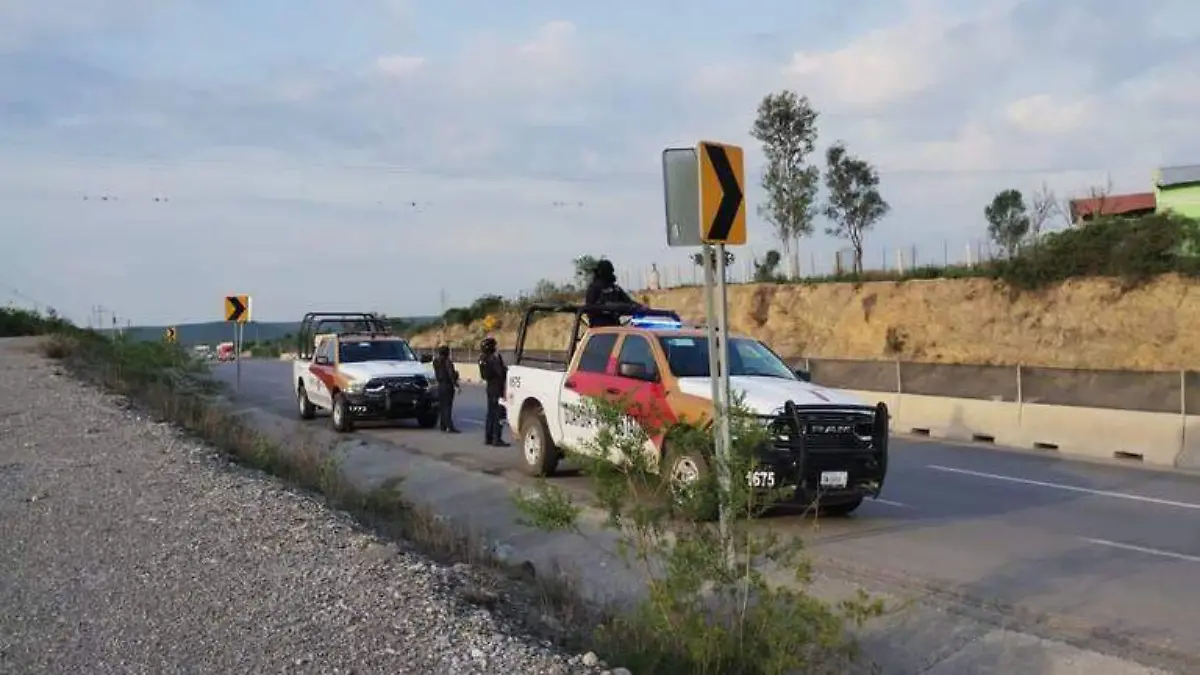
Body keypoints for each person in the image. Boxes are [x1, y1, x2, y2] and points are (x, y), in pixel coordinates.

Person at [584, 259, 643, 327]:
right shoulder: (594, 288)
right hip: (599, 327)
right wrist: (606, 308)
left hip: (614, 326)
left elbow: (629, 302)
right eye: (609, 271)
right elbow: (590, 307)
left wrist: (641, 307)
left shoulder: (615, 288)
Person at [478, 336, 509, 447]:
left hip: (490, 387)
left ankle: (488, 437)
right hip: (497, 388)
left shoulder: (482, 358)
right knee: (499, 414)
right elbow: (500, 372)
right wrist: (505, 370)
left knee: (490, 413)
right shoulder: (493, 359)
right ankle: (497, 438)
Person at [432, 345, 461, 433]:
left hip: (440, 385)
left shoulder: (436, 362)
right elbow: (451, 374)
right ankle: (449, 426)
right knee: (448, 406)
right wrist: (456, 384)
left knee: (442, 406)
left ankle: (443, 425)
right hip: (447, 385)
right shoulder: (447, 362)